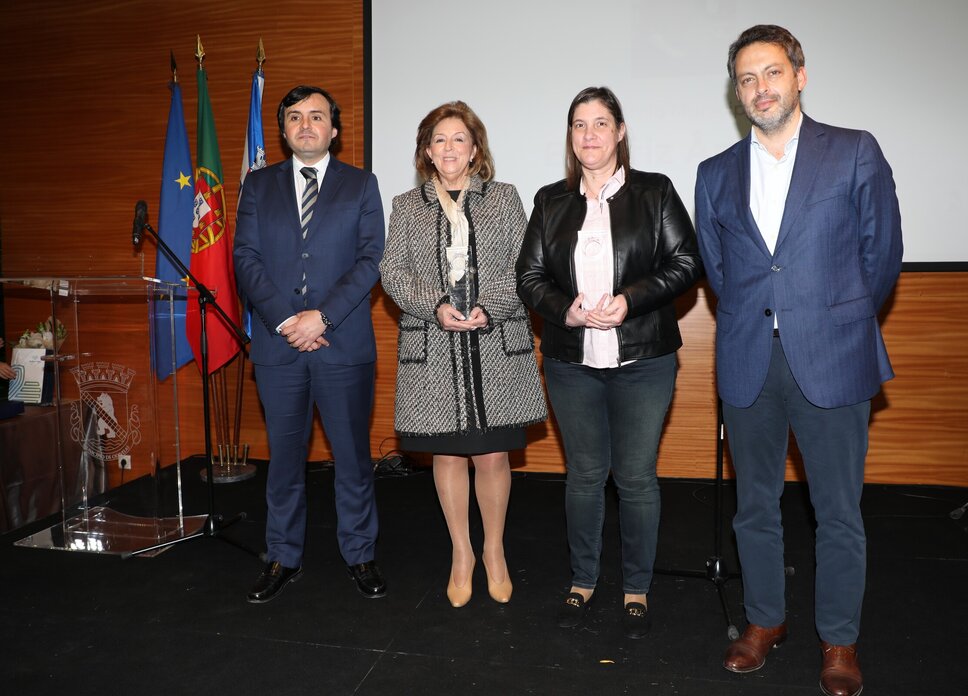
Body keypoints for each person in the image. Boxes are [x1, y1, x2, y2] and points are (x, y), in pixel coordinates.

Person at [694, 25, 903, 696]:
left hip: (834, 357)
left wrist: (833, 320)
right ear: (737, 92)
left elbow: (881, 256)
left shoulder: (853, 151)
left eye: (772, 72)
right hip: (748, 358)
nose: (760, 87)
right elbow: (720, 272)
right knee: (753, 506)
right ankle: (764, 621)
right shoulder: (714, 172)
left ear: (800, 76)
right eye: (747, 78)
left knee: (837, 511)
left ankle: (839, 639)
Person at [516, 86, 703, 639]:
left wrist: (630, 300)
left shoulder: (655, 191)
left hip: (644, 358)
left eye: (600, 123)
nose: (589, 134)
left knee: (637, 477)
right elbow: (529, 276)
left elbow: (687, 262)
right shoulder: (550, 200)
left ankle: (637, 587)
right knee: (584, 476)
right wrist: (565, 311)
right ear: (570, 136)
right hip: (571, 361)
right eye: (579, 125)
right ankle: (583, 579)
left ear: (620, 132)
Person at [379, 101, 546, 608]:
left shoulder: (504, 198)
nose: (449, 148)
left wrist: (487, 306)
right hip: (434, 348)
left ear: (475, 150)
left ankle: (494, 550)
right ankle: (461, 552)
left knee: (493, 454)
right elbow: (393, 272)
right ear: (426, 152)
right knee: (447, 454)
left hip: (495, 346)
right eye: (439, 140)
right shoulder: (407, 206)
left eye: (459, 139)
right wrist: (435, 306)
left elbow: (525, 264)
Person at [234, 85, 387, 603]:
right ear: (283, 130)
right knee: (283, 461)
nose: (306, 125)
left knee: (352, 458)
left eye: (316, 116)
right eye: (295, 117)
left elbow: (371, 259)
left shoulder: (362, 185)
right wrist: (286, 321)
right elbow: (246, 259)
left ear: (334, 130)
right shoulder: (258, 186)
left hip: (343, 345)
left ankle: (360, 554)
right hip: (278, 348)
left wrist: (321, 317)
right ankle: (283, 556)